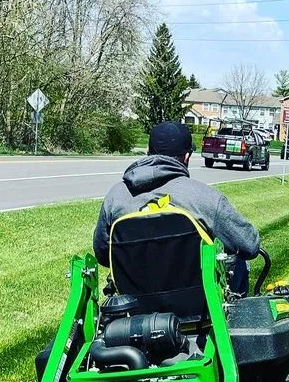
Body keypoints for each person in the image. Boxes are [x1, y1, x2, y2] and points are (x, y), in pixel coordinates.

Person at [92, 121, 261, 295]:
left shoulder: (116, 196)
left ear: (147, 152)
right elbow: (249, 245)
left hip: (134, 301)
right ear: (187, 157)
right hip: (199, 302)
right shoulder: (206, 197)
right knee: (240, 262)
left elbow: (103, 254)